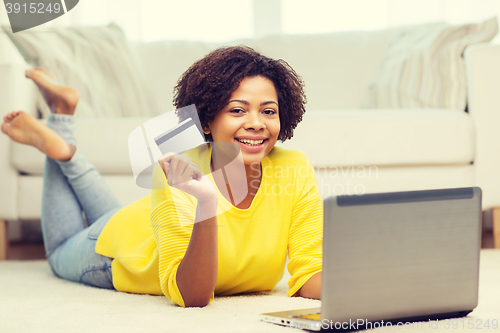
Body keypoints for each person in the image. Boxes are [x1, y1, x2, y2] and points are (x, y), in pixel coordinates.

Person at [1, 46, 322, 307]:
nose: (256, 123)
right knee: (58, 254)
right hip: (119, 251)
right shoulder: (179, 173)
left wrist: (364, 283)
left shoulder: (294, 167)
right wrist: (207, 202)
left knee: (112, 215)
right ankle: (61, 142)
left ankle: (63, 122)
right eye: (237, 110)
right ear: (206, 121)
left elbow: (309, 272)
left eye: (268, 111)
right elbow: (192, 296)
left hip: (143, 221)